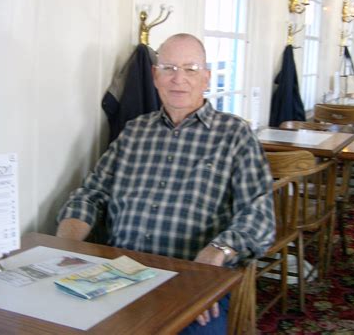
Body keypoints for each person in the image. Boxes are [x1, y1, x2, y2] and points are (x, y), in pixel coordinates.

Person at [56, 33, 275, 334]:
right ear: (155, 76)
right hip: (117, 275)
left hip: (192, 280)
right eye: (168, 68)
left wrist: (213, 257)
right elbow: (90, 194)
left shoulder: (235, 135)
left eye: (190, 69)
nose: (178, 79)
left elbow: (258, 215)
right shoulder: (134, 132)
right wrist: (65, 247)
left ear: (207, 78)